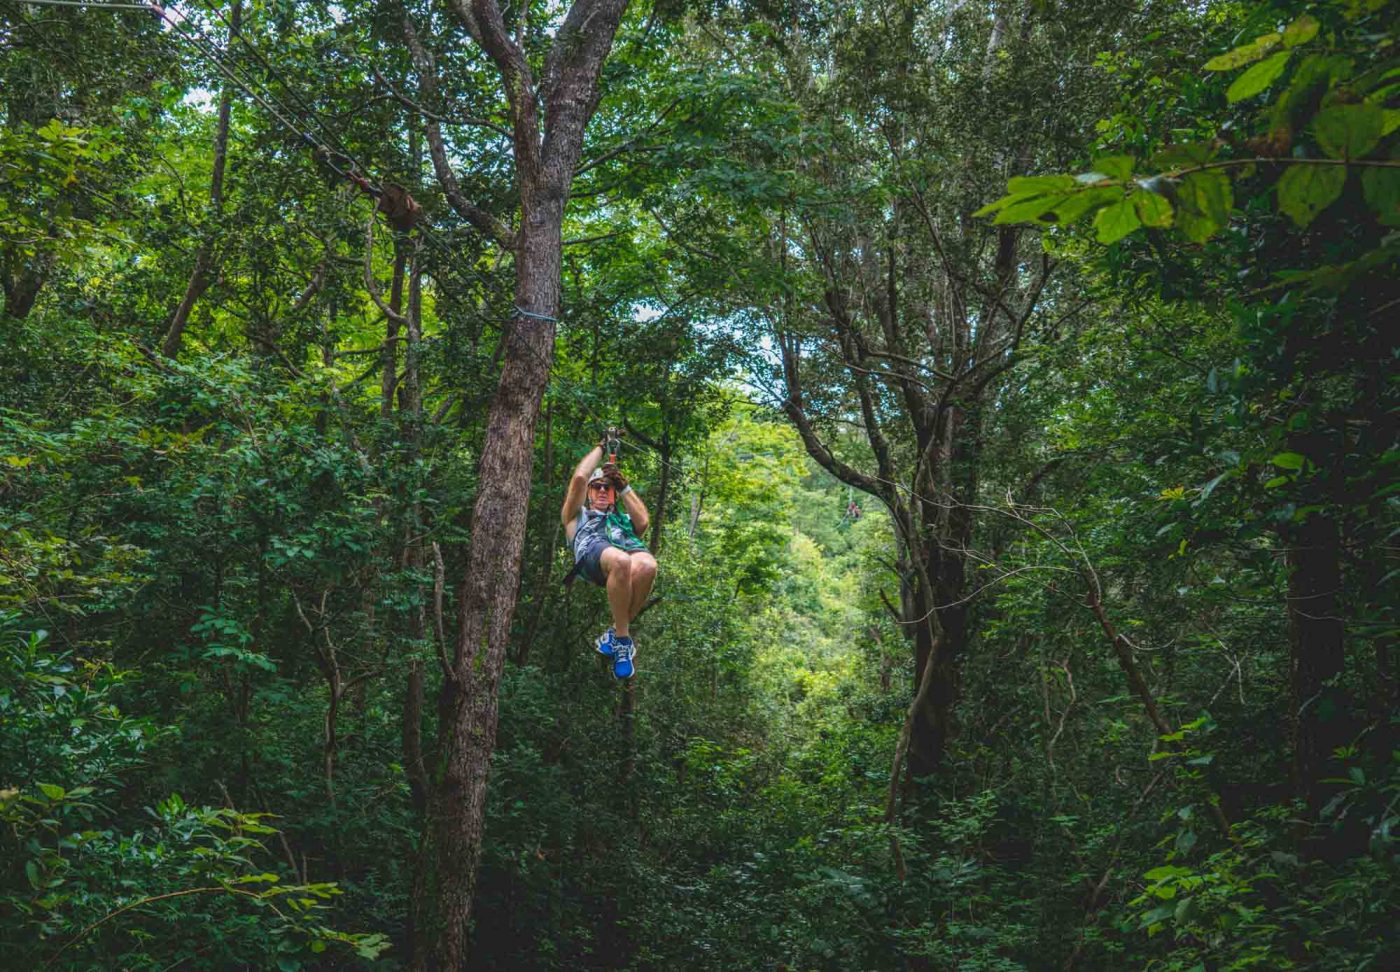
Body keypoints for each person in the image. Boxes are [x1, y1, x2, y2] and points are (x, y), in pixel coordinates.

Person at [561, 438, 658, 679]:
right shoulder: (576, 515)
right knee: (622, 561)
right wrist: (602, 447)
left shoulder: (621, 521)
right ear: (589, 493)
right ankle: (624, 640)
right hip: (591, 553)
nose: (603, 490)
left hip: (621, 550)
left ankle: (616, 634)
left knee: (648, 565)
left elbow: (643, 522)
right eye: (598, 487)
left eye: (608, 487)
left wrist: (624, 487)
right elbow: (580, 479)